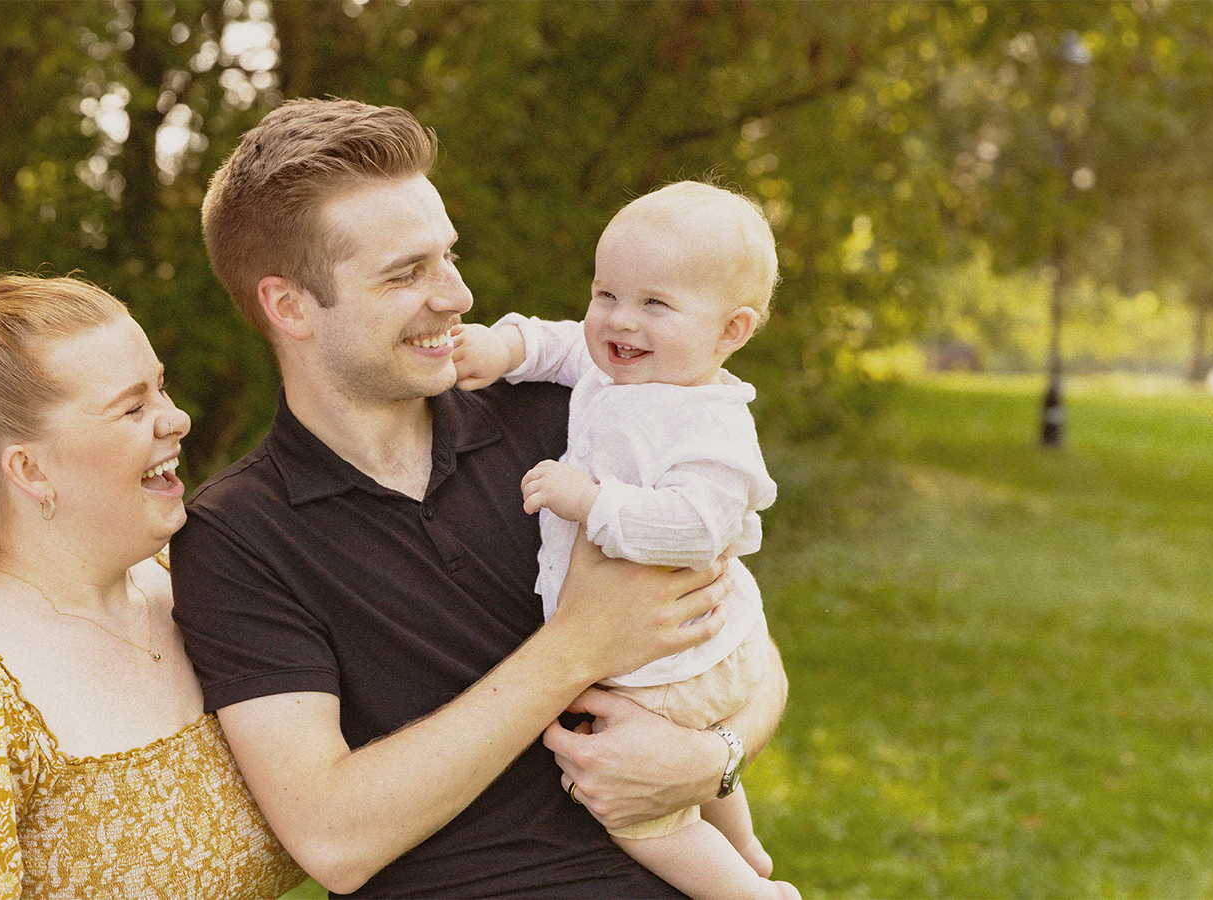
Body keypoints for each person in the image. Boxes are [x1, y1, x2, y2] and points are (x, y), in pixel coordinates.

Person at [171, 98, 788, 897]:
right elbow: (332, 838)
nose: (457, 295)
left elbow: (743, 637)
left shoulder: (574, 415)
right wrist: (575, 648)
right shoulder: (237, 534)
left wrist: (713, 759)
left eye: (448, 257)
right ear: (290, 306)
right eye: (407, 273)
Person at [0, 275, 304, 900]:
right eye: (132, 407)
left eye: (161, 386)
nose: (178, 419)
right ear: (30, 469)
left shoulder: (204, 584)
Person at [452, 180, 797, 900]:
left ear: (731, 332)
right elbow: (559, 345)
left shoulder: (710, 424)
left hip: (682, 657)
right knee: (688, 760)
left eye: (654, 304)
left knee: (642, 816)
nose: (620, 320)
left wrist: (593, 502)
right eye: (605, 294)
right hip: (673, 643)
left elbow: (696, 529)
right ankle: (745, 848)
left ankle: (751, 894)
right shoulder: (625, 367)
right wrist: (505, 345)